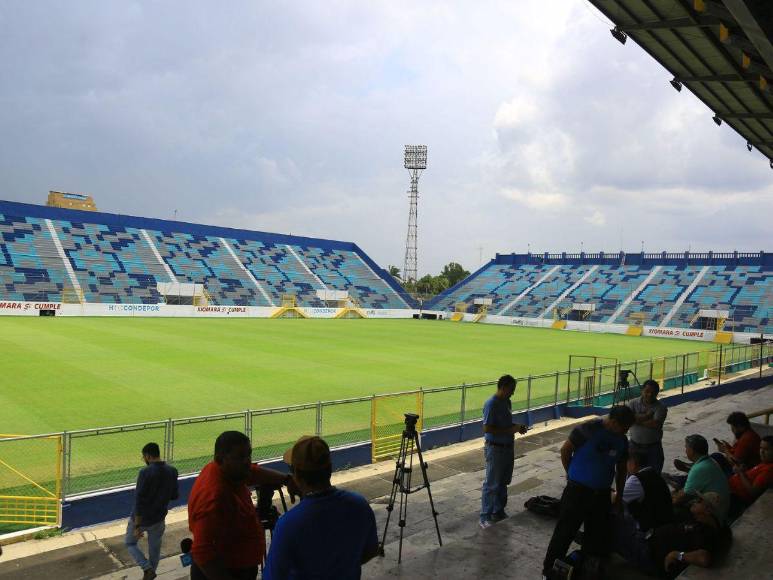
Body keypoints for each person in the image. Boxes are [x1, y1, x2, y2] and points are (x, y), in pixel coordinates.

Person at [263, 436, 379, 579]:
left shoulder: (288, 525)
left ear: (296, 475)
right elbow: (372, 550)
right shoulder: (359, 504)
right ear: (330, 469)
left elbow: (272, 577)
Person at [188, 431, 299, 580]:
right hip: (229, 571)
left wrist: (287, 480)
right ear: (220, 459)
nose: (247, 461)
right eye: (241, 457)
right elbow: (202, 552)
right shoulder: (214, 497)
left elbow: (252, 473)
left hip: (239, 567)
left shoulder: (226, 471)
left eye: (249, 455)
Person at [541, 405, 635, 578]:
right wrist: (571, 475)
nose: (626, 431)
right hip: (577, 493)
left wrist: (619, 496)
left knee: (595, 536)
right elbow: (565, 450)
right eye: (625, 427)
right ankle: (550, 570)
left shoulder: (621, 440)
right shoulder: (588, 429)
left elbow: (621, 469)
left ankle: (585, 570)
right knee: (564, 533)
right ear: (614, 422)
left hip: (601, 495)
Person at [609, 450, 674, 572]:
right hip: (660, 528)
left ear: (633, 463)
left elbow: (615, 498)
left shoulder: (637, 480)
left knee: (610, 520)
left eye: (626, 463)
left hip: (648, 538)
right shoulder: (653, 473)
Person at [125, 442, 179, 580]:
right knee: (154, 550)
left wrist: (137, 526)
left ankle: (147, 568)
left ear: (148, 456)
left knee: (130, 543)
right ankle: (150, 574)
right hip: (159, 519)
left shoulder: (145, 472)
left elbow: (139, 500)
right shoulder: (172, 471)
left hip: (141, 519)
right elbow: (174, 495)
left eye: (143, 457)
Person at [480, 374, 527, 529]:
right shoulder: (491, 404)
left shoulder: (507, 402)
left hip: (507, 448)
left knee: (503, 482)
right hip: (495, 449)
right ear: (503, 387)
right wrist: (511, 430)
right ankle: (485, 516)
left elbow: (505, 424)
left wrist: (516, 427)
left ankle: (498, 511)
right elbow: (487, 428)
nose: (513, 393)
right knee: (492, 483)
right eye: (511, 389)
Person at [671, 435, 730, 524]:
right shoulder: (710, 461)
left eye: (686, 448)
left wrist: (672, 499)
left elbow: (682, 497)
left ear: (692, 451)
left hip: (714, 515)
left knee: (673, 510)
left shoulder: (699, 468)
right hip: (718, 506)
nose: (685, 451)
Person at [627, 379, 667, 472]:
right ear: (642, 390)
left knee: (653, 475)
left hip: (653, 448)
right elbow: (627, 419)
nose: (649, 394)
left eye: (653, 392)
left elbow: (655, 424)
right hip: (634, 446)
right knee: (632, 475)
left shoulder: (660, 407)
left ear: (657, 393)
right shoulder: (632, 403)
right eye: (647, 391)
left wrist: (635, 419)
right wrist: (647, 416)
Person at [729, 435, 773, 508]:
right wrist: (744, 471)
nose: (762, 452)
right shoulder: (765, 462)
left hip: (736, 496)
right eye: (761, 448)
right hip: (732, 486)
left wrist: (740, 473)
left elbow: (753, 492)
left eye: (766, 449)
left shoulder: (769, 470)